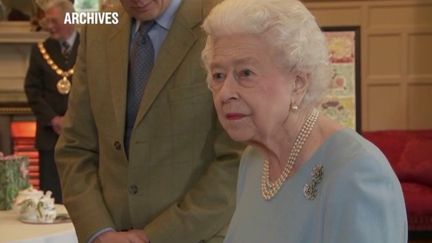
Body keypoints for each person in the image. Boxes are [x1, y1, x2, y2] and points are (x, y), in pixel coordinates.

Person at [201, 0, 408, 242]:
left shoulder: (357, 173)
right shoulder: (253, 160)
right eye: (218, 75)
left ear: (298, 83)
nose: (225, 92)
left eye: (245, 73)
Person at [55, 0, 243, 242]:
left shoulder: (224, 23)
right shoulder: (97, 26)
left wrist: (154, 236)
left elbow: (237, 157)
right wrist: (99, 232)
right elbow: (75, 147)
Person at [24, 0, 78, 204]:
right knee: (51, 196)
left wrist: (71, 120)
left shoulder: (89, 47)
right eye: (48, 21)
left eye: (54, 21)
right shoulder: (41, 49)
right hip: (49, 135)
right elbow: (32, 90)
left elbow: (97, 89)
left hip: (82, 134)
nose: (50, 26)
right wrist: (54, 119)